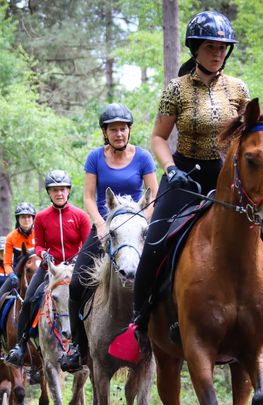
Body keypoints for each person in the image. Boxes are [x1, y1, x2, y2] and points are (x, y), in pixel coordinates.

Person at [108, 10, 263, 363]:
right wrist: (170, 168)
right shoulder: (176, 89)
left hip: (228, 178)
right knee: (156, 238)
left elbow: (251, 137)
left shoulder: (238, 89)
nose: (218, 52)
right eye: (210, 47)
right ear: (195, 49)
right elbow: (158, 137)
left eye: (223, 47)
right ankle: (139, 323)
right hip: (184, 176)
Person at [59, 103, 159, 372]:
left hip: (136, 229)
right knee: (77, 282)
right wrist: (100, 224)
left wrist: (142, 223)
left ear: (129, 131)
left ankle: (166, 340)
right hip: (106, 227)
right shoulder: (95, 158)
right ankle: (79, 348)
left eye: (123, 128)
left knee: (165, 275)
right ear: (105, 133)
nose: (119, 134)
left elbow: (153, 194)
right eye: (113, 129)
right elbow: (90, 197)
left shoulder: (144, 158)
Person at [5, 170, 91, 367]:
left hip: (74, 268)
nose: (59, 193)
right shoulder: (42, 217)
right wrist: (44, 254)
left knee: (91, 298)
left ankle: (85, 345)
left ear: (68, 191)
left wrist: (78, 258)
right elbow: (40, 245)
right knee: (28, 301)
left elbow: (87, 244)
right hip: (48, 268)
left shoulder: (81, 216)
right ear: (49, 193)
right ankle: (20, 345)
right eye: (54, 190)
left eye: (62, 189)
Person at [0, 202, 36, 300]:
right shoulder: (11, 237)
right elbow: (6, 263)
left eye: (29, 216)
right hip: (17, 273)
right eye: (23, 217)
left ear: (33, 218)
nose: (26, 220)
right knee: (0, 294)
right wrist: (11, 275)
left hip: (37, 272)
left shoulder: (39, 233)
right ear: (18, 219)